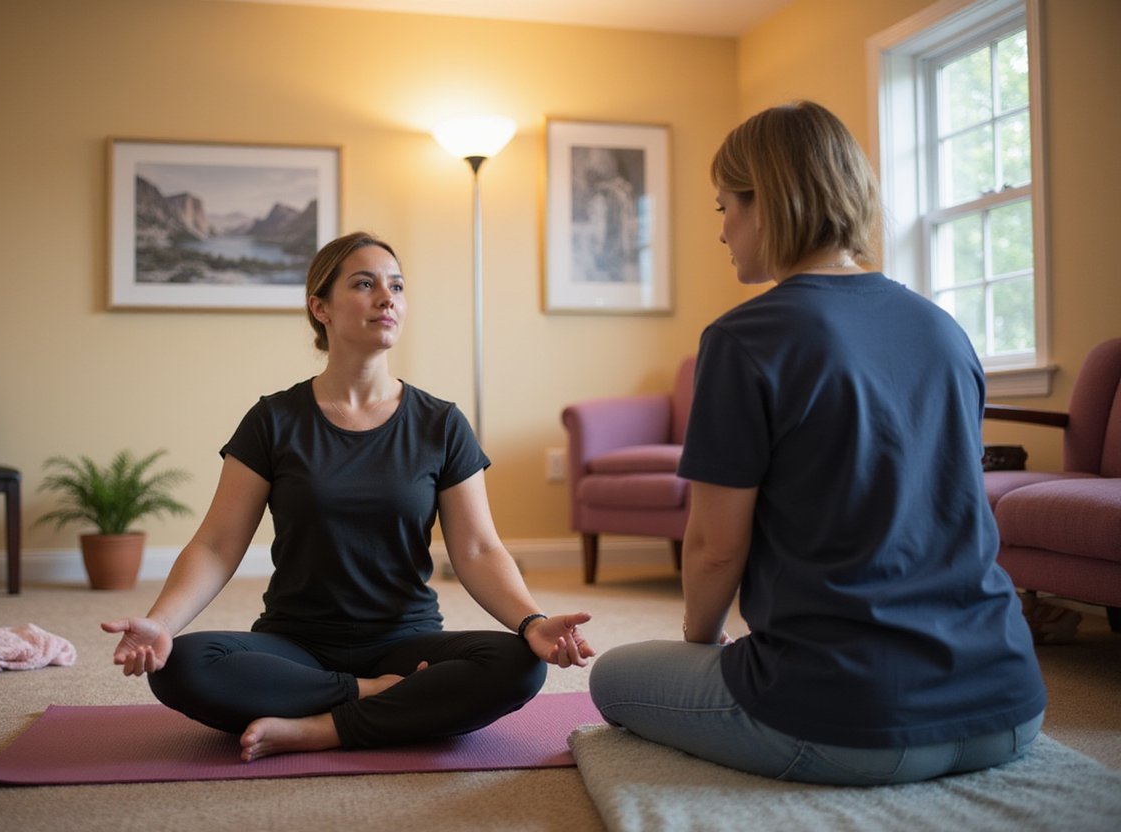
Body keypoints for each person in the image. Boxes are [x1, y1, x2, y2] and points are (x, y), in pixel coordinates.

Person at [588, 101, 1046, 786]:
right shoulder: (942, 328)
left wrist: (701, 647)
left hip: (853, 723)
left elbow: (716, 547)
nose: (722, 232)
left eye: (724, 208)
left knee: (613, 676)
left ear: (765, 202)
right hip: (1008, 709)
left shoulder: (744, 338)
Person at [103, 231, 593, 762]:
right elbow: (218, 545)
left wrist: (532, 622)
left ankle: (319, 729)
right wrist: (163, 623)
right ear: (321, 308)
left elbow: (478, 550)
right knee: (180, 664)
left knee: (520, 664)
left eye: (397, 286)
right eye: (365, 284)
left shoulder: (441, 423)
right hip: (297, 643)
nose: (388, 298)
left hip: (406, 644)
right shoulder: (274, 420)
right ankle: (373, 699)